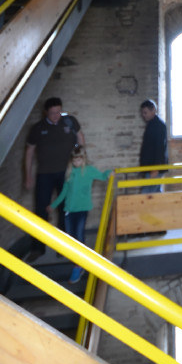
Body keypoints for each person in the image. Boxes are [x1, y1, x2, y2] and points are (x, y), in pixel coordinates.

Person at [24, 96, 85, 256]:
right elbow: (29, 152)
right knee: (41, 211)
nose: (56, 115)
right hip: (44, 174)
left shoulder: (69, 121)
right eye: (52, 113)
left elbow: (80, 138)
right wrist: (28, 176)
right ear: (46, 113)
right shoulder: (37, 128)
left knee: (66, 209)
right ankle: (38, 248)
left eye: (58, 112)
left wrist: (78, 154)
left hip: (66, 174)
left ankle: (63, 247)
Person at [48, 148, 111, 283]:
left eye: (79, 159)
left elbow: (102, 176)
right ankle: (79, 263)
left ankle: (79, 266)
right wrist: (53, 205)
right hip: (69, 210)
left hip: (82, 209)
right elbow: (64, 192)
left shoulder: (89, 170)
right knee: (71, 238)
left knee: (79, 235)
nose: (77, 162)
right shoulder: (70, 173)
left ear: (83, 159)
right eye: (74, 160)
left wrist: (109, 173)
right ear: (71, 161)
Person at [139, 98, 167, 193]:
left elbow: (160, 148)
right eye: (143, 113)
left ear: (153, 110)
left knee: (147, 193)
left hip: (154, 168)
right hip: (150, 167)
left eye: (145, 112)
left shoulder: (158, 125)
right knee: (155, 192)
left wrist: (156, 168)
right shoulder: (151, 124)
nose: (143, 115)